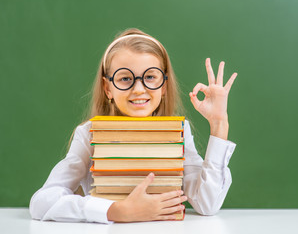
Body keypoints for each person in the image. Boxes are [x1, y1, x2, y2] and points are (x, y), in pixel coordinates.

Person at [29, 28, 238, 223]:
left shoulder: (179, 132)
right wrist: (117, 211)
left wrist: (219, 123)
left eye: (150, 77)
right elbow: (41, 202)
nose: (138, 89)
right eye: (125, 78)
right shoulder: (88, 134)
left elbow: (207, 204)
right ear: (107, 87)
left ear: (163, 85)